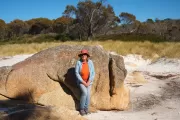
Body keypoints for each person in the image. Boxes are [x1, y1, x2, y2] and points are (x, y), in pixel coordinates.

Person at [75, 49, 95, 116]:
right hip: (81, 82)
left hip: (89, 82)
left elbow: (93, 73)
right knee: (84, 93)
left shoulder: (90, 62)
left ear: (87, 56)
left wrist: (89, 81)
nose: (83, 56)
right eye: (82, 55)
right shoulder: (78, 63)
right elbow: (77, 73)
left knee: (88, 94)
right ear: (81, 56)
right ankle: (81, 109)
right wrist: (83, 82)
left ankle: (86, 108)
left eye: (85, 55)